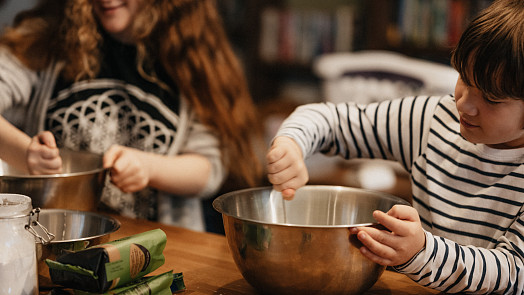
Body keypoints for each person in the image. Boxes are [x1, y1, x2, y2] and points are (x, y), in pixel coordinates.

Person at [266, 0, 524, 293]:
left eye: (490, 98)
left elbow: (514, 274)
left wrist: (421, 252)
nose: (464, 103)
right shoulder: (434, 120)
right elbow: (330, 119)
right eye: (464, 78)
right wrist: (292, 143)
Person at [0, 0, 262, 232]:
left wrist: (149, 168)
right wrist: (25, 153)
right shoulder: (46, 38)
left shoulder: (192, 54)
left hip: (157, 247)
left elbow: (208, 169)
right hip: (51, 235)